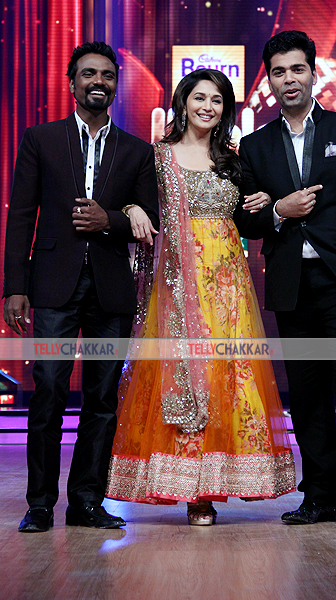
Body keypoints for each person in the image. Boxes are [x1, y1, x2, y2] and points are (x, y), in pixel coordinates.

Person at [106, 69, 296, 525]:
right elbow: (134, 204)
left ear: (225, 109)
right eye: (199, 98)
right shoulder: (157, 157)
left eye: (217, 100)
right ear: (182, 102)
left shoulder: (234, 159)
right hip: (175, 284)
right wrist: (131, 208)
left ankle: (210, 488)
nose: (207, 106)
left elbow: (251, 216)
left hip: (228, 286)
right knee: (185, 376)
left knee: (226, 376)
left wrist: (265, 200)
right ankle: (185, 486)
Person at [234, 30, 336, 532]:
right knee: (305, 395)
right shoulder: (255, 146)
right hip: (292, 285)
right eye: (279, 72)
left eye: (297, 69)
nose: (288, 79)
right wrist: (279, 212)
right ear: (270, 79)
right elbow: (246, 221)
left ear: (313, 73)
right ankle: (319, 497)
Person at [3, 41, 159, 532]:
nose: (99, 81)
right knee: (48, 388)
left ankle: (87, 501)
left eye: (107, 75)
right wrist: (14, 286)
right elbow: (22, 215)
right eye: (88, 73)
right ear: (71, 84)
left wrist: (108, 220)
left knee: (102, 397)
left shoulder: (136, 151)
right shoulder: (40, 139)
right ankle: (40, 504)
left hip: (112, 288)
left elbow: (150, 217)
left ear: (116, 85)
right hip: (51, 285)